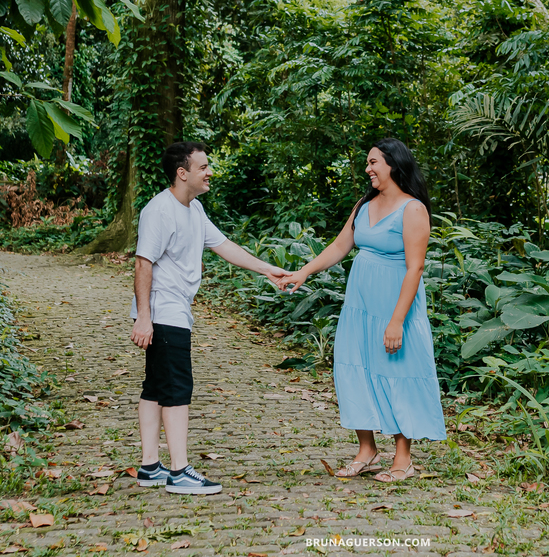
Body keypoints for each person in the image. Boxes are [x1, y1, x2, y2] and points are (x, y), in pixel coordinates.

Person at [277, 138, 446, 482]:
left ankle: (403, 458)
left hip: (395, 305)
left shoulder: (413, 209)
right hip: (360, 305)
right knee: (356, 369)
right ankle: (367, 450)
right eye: (367, 163)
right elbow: (341, 245)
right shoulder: (364, 204)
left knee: (398, 373)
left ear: (393, 165)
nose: (367, 169)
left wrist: (397, 321)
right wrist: (304, 271)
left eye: (373, 162)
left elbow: (415, 268)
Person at [130, 141, 286, 494]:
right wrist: (144, 317)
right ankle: (180, 471)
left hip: (173, 309)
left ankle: (150, 466)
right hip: (164, 310)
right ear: (182, 173)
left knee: (156, 387)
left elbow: (223, 245)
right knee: (177, 389)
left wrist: (267, 270)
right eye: (203, 167)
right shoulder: (160, 210)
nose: (209, 172)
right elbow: (143, 262)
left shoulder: (194, 209)